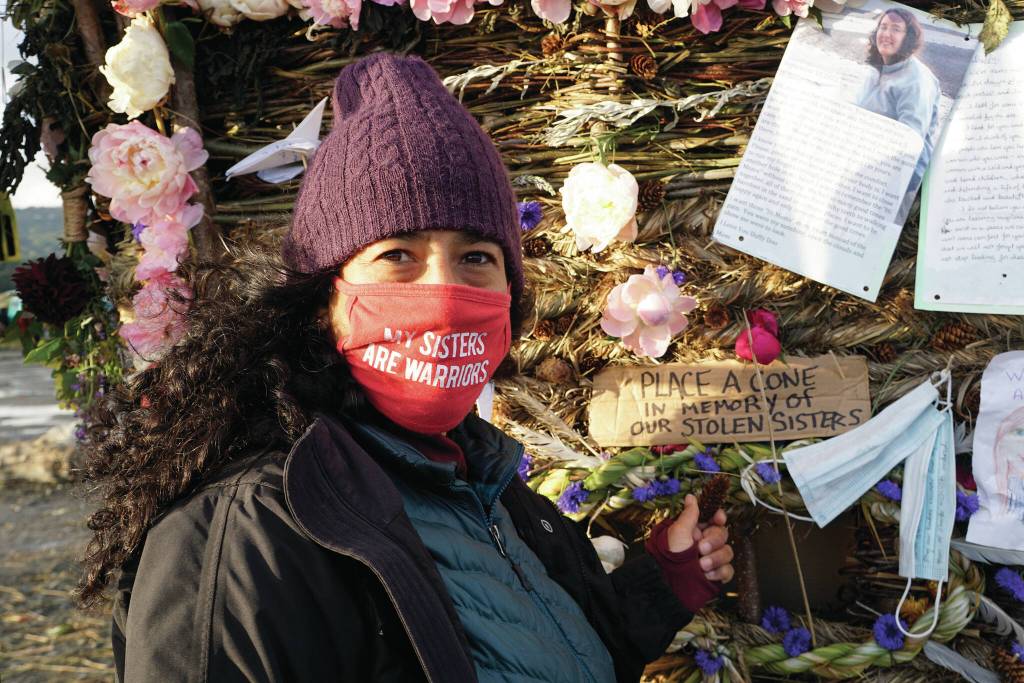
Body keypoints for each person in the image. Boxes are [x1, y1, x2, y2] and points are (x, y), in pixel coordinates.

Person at [78, 52, 734, 682]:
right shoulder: (248, 536)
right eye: (398, 255)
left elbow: (551, 654)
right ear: (322, 299)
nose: (444, 295)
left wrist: (663, 581)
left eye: (477, 256)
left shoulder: (487, 485)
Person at [855, 8, 941, 221]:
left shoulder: (916, 81)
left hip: (900, 182)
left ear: (908, 37)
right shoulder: (877, 70)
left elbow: (909, 143)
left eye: (896, 29)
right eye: (883, 27)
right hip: (867, 169)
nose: (886, 34)